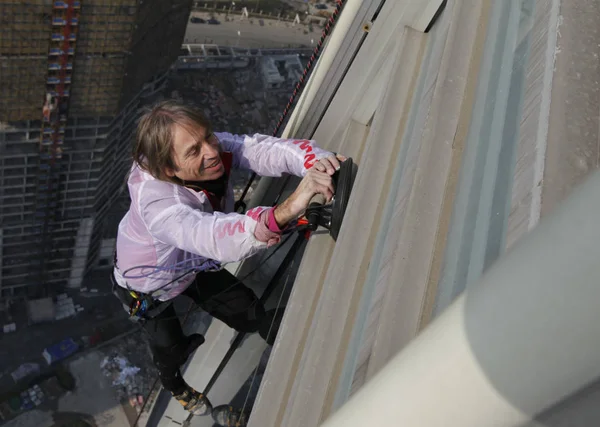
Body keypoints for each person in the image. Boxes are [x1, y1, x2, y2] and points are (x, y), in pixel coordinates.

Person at [111, 100, 344, 426]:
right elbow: (211, 235)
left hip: (193, 264)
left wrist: (315, 162)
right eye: (195, 150)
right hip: (149, 289)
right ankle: (173, 381)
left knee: (248, 312)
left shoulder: (193, 152)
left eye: (209, 137)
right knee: (171, 350)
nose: (211, 151)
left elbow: (260, 151)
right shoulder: (158, 208)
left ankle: (299, 346)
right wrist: (286, 209)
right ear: (168, 170)